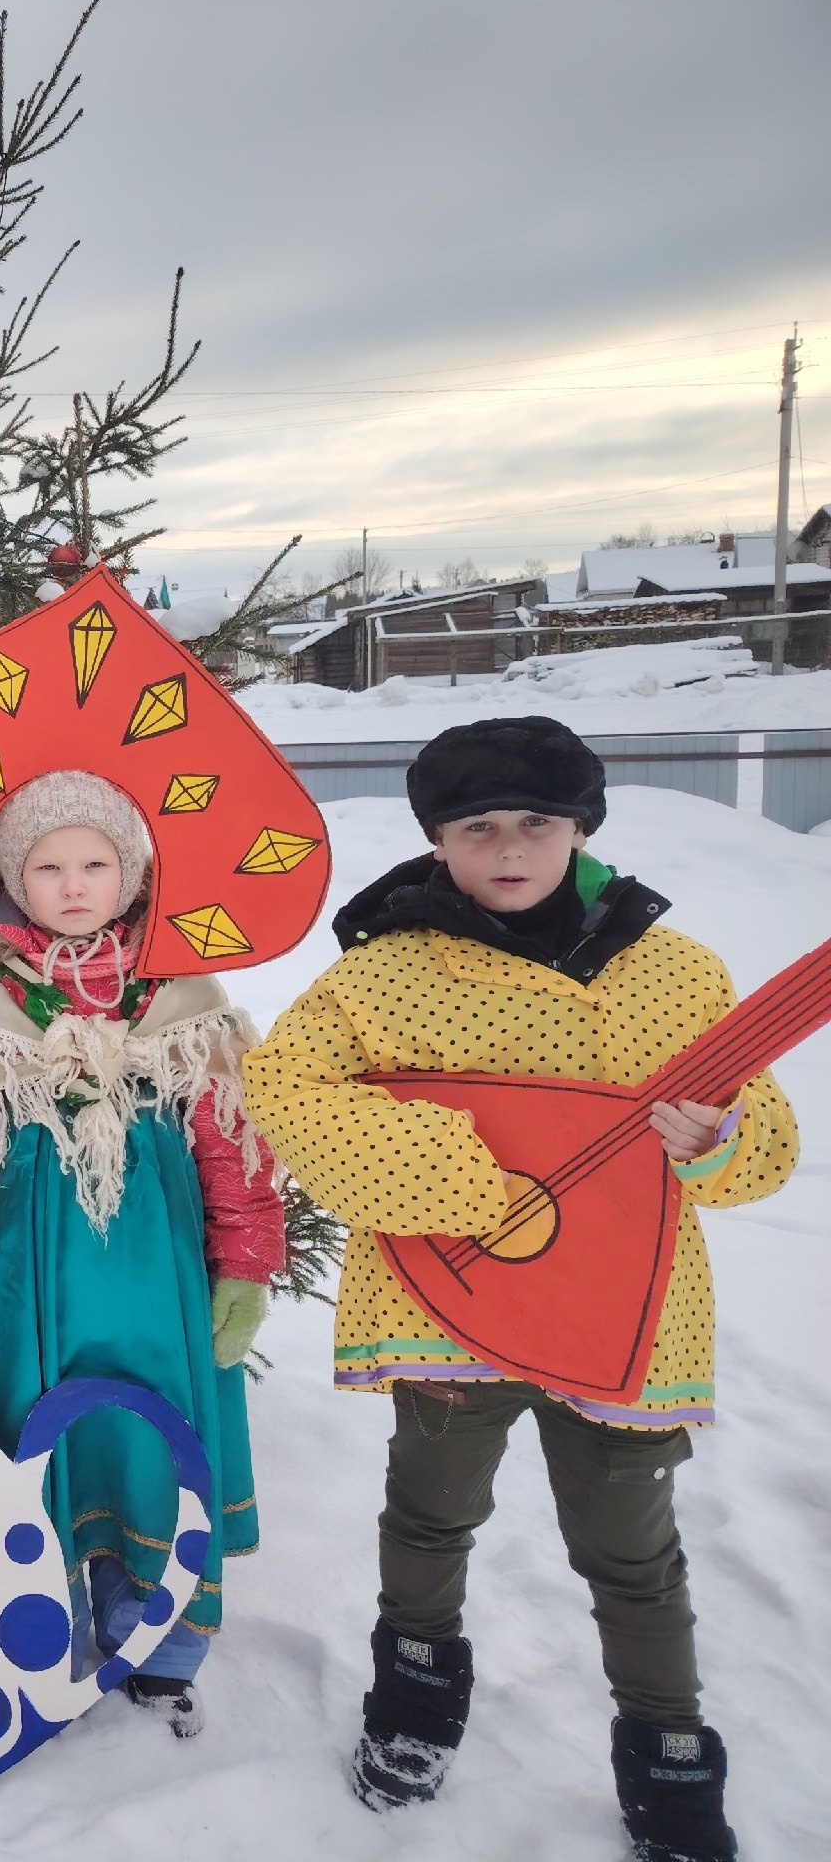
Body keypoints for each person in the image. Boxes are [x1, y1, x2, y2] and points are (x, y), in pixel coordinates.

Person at [243, 716, 793, 1862]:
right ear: (437, 840)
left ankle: (665, 1740)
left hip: (622, 1317)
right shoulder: (385, 976)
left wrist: (717, 1141)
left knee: (632, 1550)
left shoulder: (673, 975)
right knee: (430, 1516)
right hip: (451, 1310)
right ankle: (416, 1687)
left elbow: (767, 1150)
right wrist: (449, 1176)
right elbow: (286, 1086)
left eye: (534, 823)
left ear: (579, 828)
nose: (507, 847)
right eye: (475, 826)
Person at [0, 770, 282, 1739]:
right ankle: (38, 1620)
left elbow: (232, 1143)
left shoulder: (180, 993)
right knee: (36, 1425)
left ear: (132, 870)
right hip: (35, 1279)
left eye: (95, 864)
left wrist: (244, 1260)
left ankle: (154, 1630)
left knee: (154, 1430)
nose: (73, 885)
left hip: (156, 1282)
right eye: (48, 865)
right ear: (16, 881)